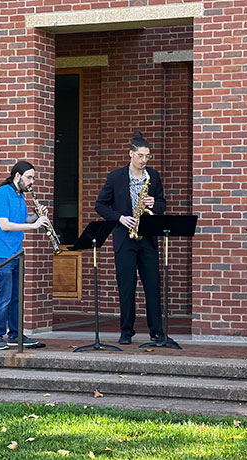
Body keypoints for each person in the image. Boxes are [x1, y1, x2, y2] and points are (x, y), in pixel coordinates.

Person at [95, 131, 166, 345]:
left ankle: (157, 331)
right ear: (131, 154)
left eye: (147, 157)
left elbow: (162, 204)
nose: (144, 160)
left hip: (147, 239)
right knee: (126, 286)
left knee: (153, 286)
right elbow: (100, 205)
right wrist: (120, 218)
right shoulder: (116, 177)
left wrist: (156, 204)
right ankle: (126, 331)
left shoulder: (153, 176)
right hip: (125, 238)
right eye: (141, 156)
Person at [0, 161, 50, 350]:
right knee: (4, 297)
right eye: (29, 177)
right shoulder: (1, 194)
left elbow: (22, 220)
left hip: (15, 253)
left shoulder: (19, 196)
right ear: (17, 176)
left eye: (33, 178)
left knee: (15, 297)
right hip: (0, 253)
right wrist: (34, 226)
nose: (32, 182)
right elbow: (5, 225)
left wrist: (37, 218)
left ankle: (14, 335)